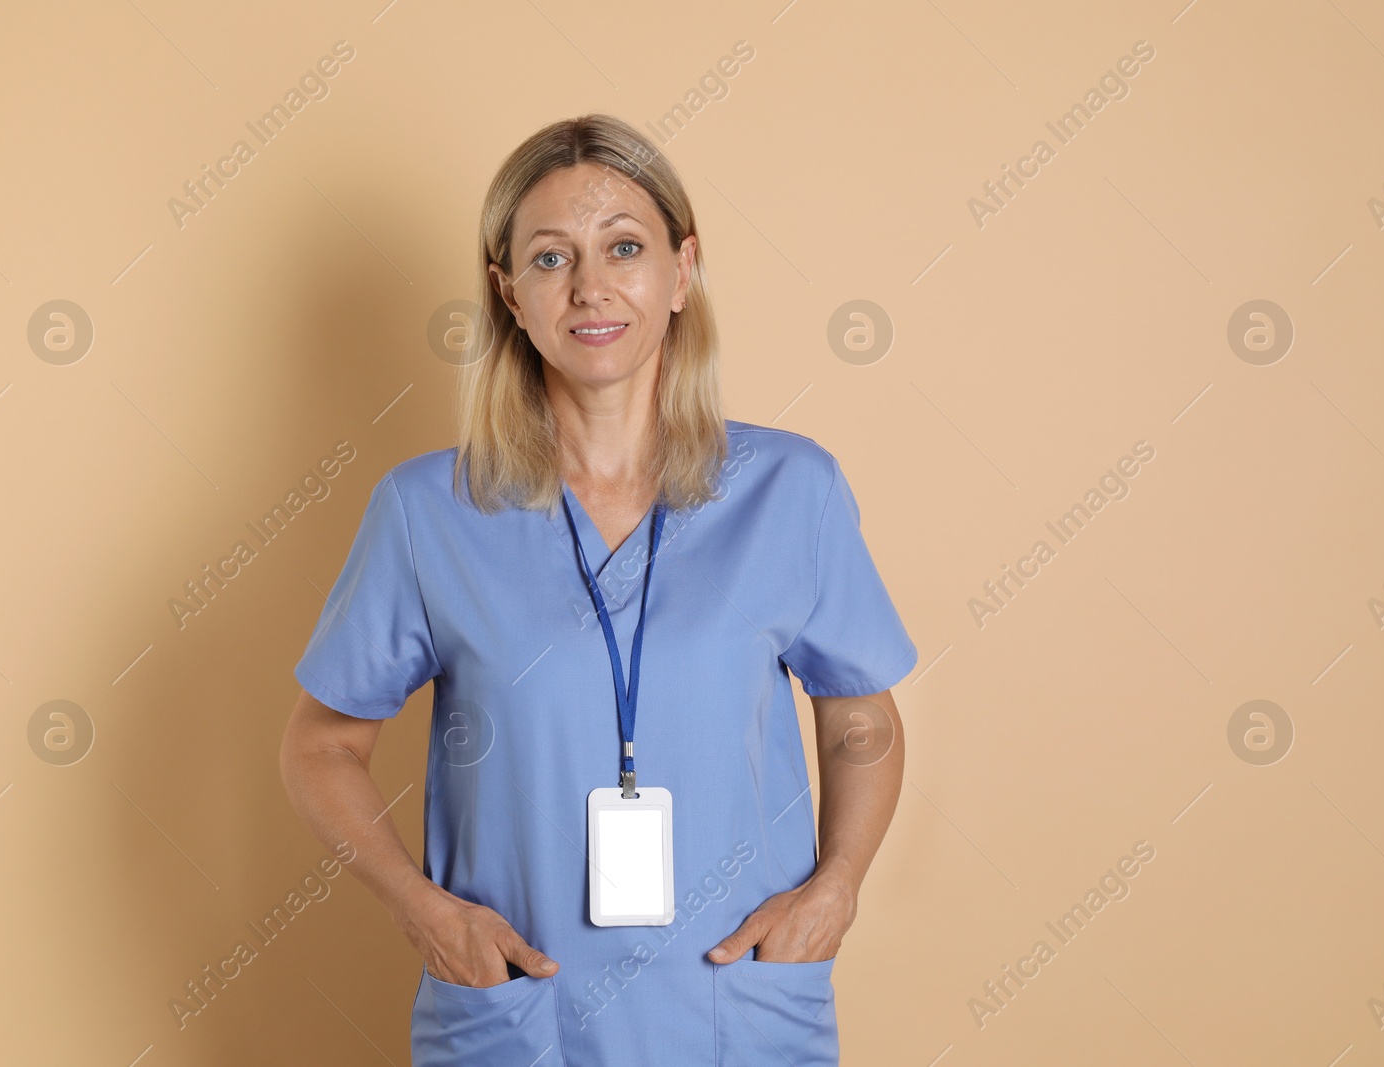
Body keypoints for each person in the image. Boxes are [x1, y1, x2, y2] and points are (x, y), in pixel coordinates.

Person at [279, 113, 917, 1067]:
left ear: (681, 270)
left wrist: (837, 888)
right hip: (519, 1011)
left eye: (625, 246)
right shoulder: (427, 512)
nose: (590, 287)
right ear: (508, 295)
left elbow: (861, 722)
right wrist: (424, 912)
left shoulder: (792, 490)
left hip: (735, 1004)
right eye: (549, 259)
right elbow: (319, 744)